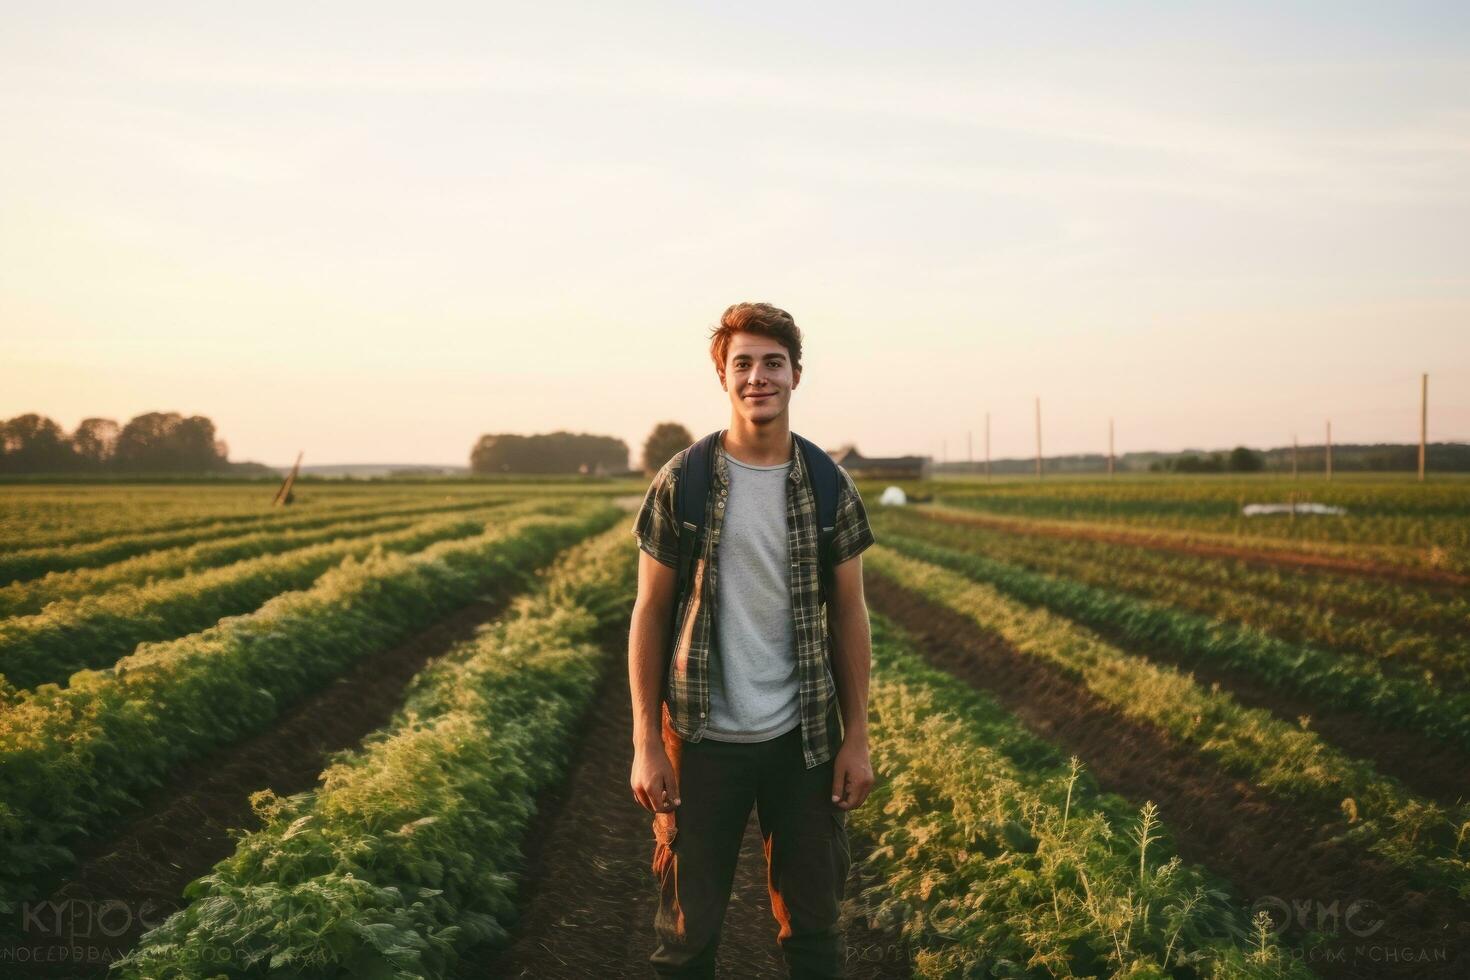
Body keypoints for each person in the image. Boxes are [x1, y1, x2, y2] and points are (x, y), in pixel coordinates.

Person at [628, 301, 877, 978]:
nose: (758, 377)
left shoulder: (828, 485)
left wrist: (856, 737)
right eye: (743, 364)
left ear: (796, 374)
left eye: (773, 363)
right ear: (723, 377)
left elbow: (850, 613)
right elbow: (650, 611)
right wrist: (647, 741)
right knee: (686, 937)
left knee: (814, 933)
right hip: (702, 741)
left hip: (803, 744)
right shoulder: (684, 481)